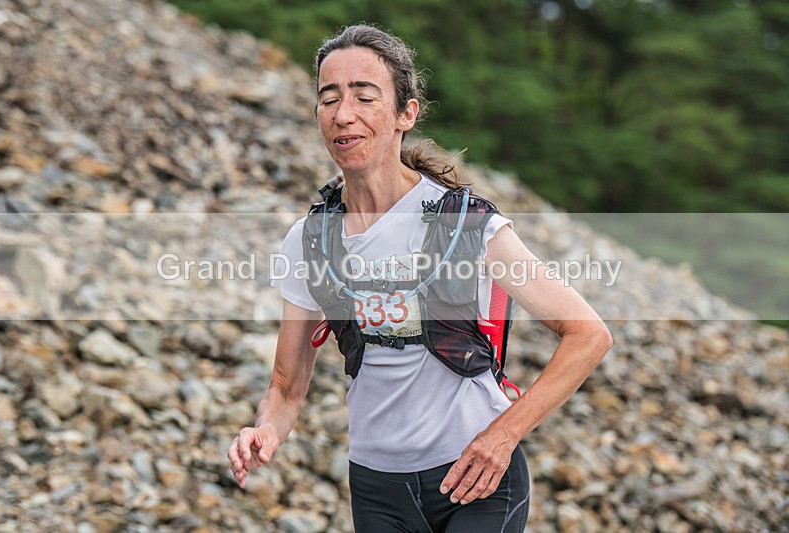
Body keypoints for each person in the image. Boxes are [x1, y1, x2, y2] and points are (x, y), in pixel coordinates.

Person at [229, 24, 612, 532]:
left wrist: (504, 435)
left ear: (405, 113)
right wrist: (266, 430)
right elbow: (286, 386)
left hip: (477, 479)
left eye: (365, 97)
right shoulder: (310, 240)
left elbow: (587, 334)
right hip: (376, 488)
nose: (344, 114)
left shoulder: (466, 225)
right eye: (329, 99)